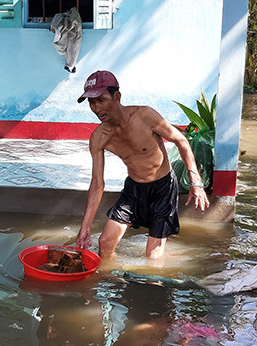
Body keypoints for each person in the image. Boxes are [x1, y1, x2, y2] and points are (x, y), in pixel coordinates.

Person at [74, 70, 210, 259]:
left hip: (163, 188)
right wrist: (85, 227)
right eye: (91, 102)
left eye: (101, 100)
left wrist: (196, 182)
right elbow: (97, 184)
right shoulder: (98, 138)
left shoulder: (144, 116)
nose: (96, 108)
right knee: (104, 244)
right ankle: (115, 279)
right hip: (134, 190)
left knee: (153, 256)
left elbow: (181, 141)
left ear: (117, 97)